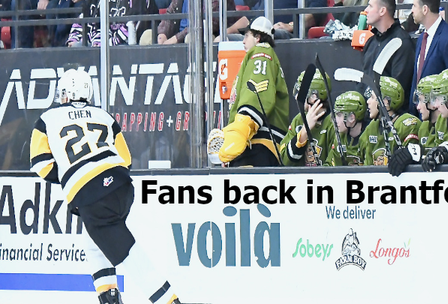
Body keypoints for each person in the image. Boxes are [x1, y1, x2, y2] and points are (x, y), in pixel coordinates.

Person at [31, 68, 189, 302]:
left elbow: (41, 164)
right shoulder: (103, 115)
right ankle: (109, 295)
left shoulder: (46, 119)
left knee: (128, 254)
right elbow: (125, 158)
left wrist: (69, 175)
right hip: (122, 186)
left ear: (64, 94)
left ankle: (169, 300)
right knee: (94, 238)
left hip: (90, 195)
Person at [213, 15, 288, 166]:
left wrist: (240, 130)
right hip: (256, 142)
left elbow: (258, 93)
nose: (243, 41)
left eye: (247, 36)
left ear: (258, 37)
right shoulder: (260, 57)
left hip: (259, 142)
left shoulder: (261, 52)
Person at [361, 0, 416, 94]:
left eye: (370, 6)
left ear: (382, 11)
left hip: (388, 108)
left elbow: (398, 88)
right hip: (368, 107)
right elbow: (363, 81)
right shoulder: (370, 42)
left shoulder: (401, 43)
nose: (366, 10)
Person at [280, 70, 336, 166]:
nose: (297, 97)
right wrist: (304, 132)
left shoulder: (333, 123)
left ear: (314, 97)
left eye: (301, 92)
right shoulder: (299, 120)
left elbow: (334, 168)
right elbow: (284, 161)